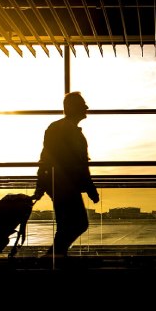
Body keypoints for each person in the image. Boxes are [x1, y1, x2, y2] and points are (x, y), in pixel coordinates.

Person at [32, 91, 100, 258]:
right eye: (83, 104)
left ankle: (55, 257)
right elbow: (78, 164)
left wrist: (41, 185)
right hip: (65, 185)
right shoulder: (67, 130)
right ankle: (53, 257)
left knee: (68, 225)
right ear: (73, 108)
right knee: (78, 224)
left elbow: (46, 158)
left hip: (59, 184)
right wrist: (90, 188)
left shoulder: (59, 128)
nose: (86, 107)